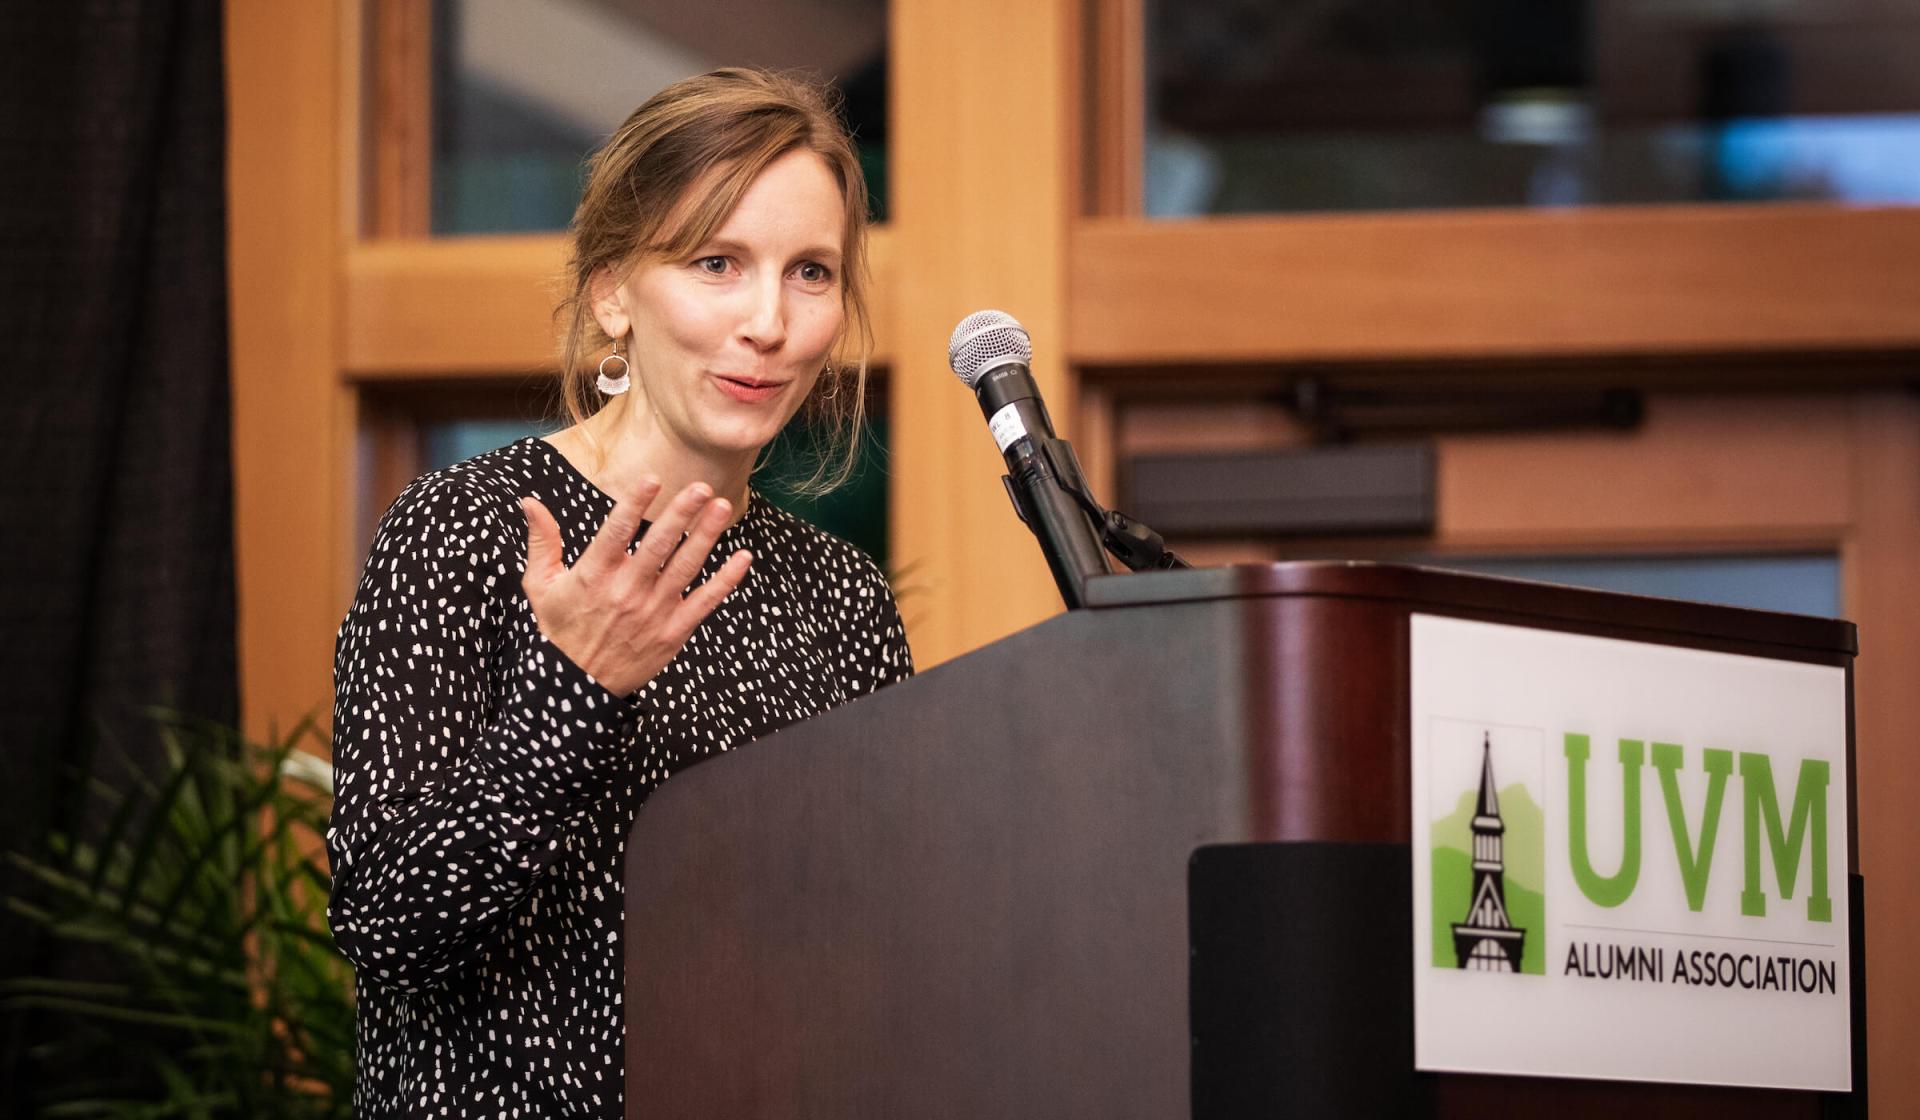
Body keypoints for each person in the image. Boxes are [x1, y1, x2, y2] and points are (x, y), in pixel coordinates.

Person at [326, 68, 913, 1118]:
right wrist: (574, 686)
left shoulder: (842, 596)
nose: (769, 322)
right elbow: (385, 926)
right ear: (611, 291)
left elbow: (870, 944)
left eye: (811, 272)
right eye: (717, 263)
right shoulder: (466, 530)